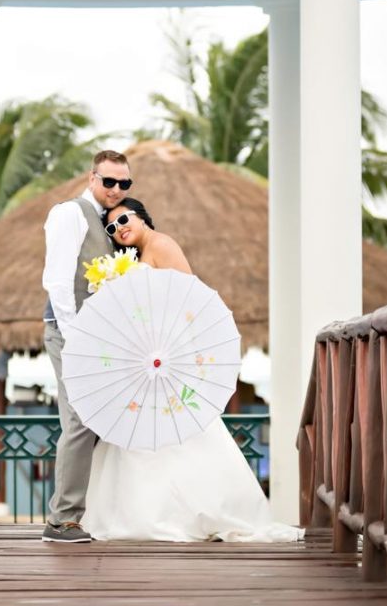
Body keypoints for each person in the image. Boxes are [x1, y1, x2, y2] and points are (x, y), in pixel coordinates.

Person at [82, 197, 304, 544]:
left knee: (178, 431)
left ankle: (187, 512)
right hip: (145, 358)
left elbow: (187, 297)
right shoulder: (134, 259)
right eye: (111, 227)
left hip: (166, 354)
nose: (119, 228)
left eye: (124, 219)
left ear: (141, 216)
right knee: (142, 432)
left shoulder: (162, 245)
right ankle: (145, 512)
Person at [41, 149, 132, 543]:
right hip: (70, 332)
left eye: (123, 183)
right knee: (81, 419)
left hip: (100, 339)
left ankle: (82, 511)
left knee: (100, 418)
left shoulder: (110, 222)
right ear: (92, 177)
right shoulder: (70, 213)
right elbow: (58, 282)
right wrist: (76, 338)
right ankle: (61, 520)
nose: (115, 189)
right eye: (109, 181)